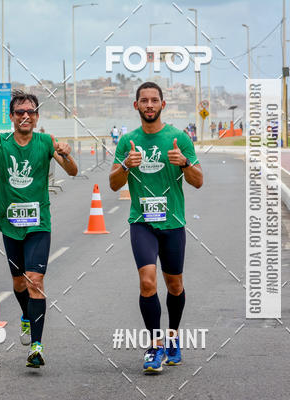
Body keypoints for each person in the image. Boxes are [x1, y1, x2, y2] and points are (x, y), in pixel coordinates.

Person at [0, 90, 78, 368]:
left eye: (31, 112)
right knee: (19, 283)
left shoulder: (46, 142)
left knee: (35, 280)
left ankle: (36, 346)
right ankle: (26, 315)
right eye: (20, 112)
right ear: (11, 117)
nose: (26, 116)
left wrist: (66, 155)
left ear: (37, 116)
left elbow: (72, 171)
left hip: (39, 224)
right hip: (10, 225)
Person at [109, 82, 203, 374]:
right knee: (148, 282)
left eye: (154, 100)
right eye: (144, 100)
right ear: (135, 105)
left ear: (163, 104)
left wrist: (184, 163)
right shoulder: (128, 141)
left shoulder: (179, 138)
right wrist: (126, 165)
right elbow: (113, 184)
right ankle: (154, 346)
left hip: (173, 223)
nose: (149, 105)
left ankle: (172, 337)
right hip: (142, 223)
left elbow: (198, 181)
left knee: (175, 285)